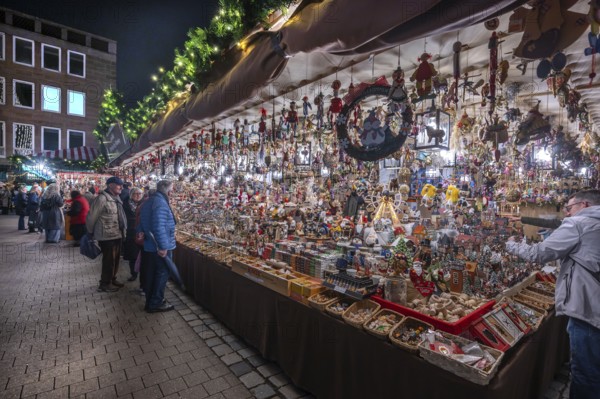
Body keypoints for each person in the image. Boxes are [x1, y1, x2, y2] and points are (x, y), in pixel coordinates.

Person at [506, 189, 600, 399]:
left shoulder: (578, 224)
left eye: (569, 208)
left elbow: (538, 253)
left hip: (588, 310)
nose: (566, 213)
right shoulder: (593, 224)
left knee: (586, 374)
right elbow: (557, 223)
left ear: (584, 205)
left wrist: (512, 245)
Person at [138, 180, 176, 312]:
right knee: (162, 273)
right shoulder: (160, 202)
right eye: (171, 189)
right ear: (166, 189)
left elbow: (143, 219)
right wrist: (163, 246)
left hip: (151, 244)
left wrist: (140, 231)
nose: (172, 192)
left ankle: (151, 300)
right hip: (158, 246)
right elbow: (158, 226)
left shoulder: (151, 200)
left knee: (153, 273)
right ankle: (156, 302)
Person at [86, 176, 127, 292]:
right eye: (118, 184)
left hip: (117, 233)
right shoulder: (102, 199)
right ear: (110, 185)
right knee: (108, 260)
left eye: (122, 185)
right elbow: (91, 217)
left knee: (116, 259)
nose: (121, 187)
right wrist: (90, 232)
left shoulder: (116, 198)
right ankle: (105, 283)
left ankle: (112, 278)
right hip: (106, 234)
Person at [122, 187, 143, 281]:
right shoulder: (125, 204)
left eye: (140, 194)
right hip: (130, 232)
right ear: (131, 194)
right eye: (135, 193)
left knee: (142, 254)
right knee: (132, 255)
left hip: (142, 232)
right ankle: (133, 274)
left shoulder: (144, 204)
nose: (138, 195)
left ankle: (142, 274)